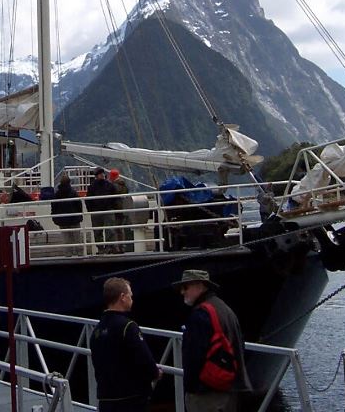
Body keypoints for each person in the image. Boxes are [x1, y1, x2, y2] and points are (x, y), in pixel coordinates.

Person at [174, 269, 252, 412]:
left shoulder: (200, 315)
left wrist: (191, 388)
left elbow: (194, 356)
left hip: (207, 393)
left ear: (199, 285)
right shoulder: (224, 309)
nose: (182, 292)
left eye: (185, 287)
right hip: (229, 387)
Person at [90, 277, 161, 411]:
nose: (132, 299)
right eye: (130, 296)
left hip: (106, 398)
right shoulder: (128, 326)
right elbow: (144, 358)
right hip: (130, 399)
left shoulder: (97, 329)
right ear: (122, 297)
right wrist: (155, 372)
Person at [86, 167, 119, 253]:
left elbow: (115, 197)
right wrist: (91, 210)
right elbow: (88, 200)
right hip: (98, 211)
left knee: (110, 230)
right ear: (97, 176)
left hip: (106, 210)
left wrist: (112, 207)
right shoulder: (93, 187)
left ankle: (109, 247)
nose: (102, 175)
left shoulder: (107, 185)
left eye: (102, 174)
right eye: (100, 174)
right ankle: (101, 248)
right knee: (98, 231)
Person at [51, 173, 83, 256]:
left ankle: (68, 254)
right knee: (77, 238)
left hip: (62, 220)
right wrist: (80, 215)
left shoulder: (57, 194)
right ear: (69, 182)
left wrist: (55, 218)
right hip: (74, 219)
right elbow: (79, 205)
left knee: (66, 238)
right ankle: (79, 253)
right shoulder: (73, 193)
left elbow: (54, 207)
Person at [110, 170, 135, 252]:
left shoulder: (114, 186)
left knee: (115, 229)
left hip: (116, 209)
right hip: (123, 209)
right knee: (120, 229)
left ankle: (115, 247)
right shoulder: (124, 186)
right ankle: (122, 246)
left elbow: (112, 196)